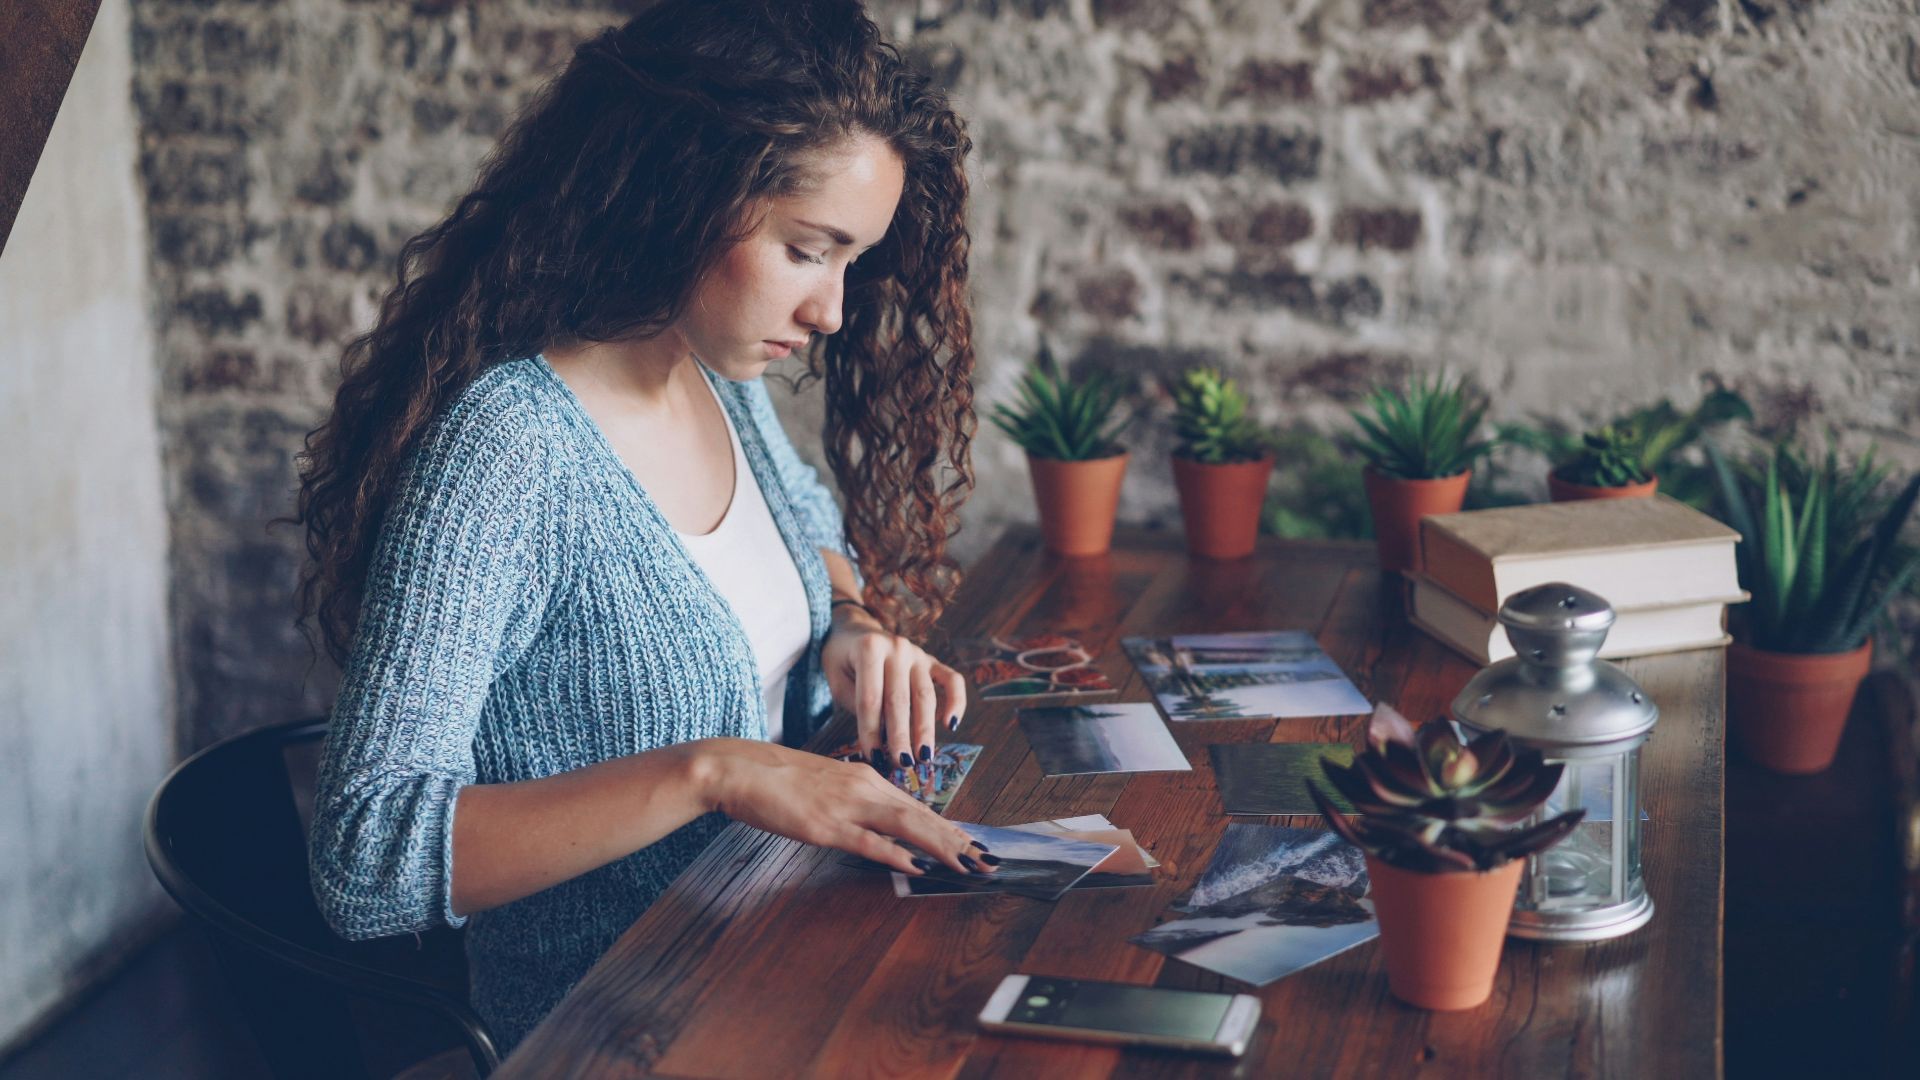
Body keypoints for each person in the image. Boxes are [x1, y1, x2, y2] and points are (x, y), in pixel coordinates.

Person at [292, 0, 986, 1050]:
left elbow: (810, 533)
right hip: (618, 1033)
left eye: (853, 262)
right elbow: (365, 858)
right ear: (688, 195)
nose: (833, 311)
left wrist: (849, 622)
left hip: (774, 968)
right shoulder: (509, 448)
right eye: (809, 250)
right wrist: (712, 773)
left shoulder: (718, 380)